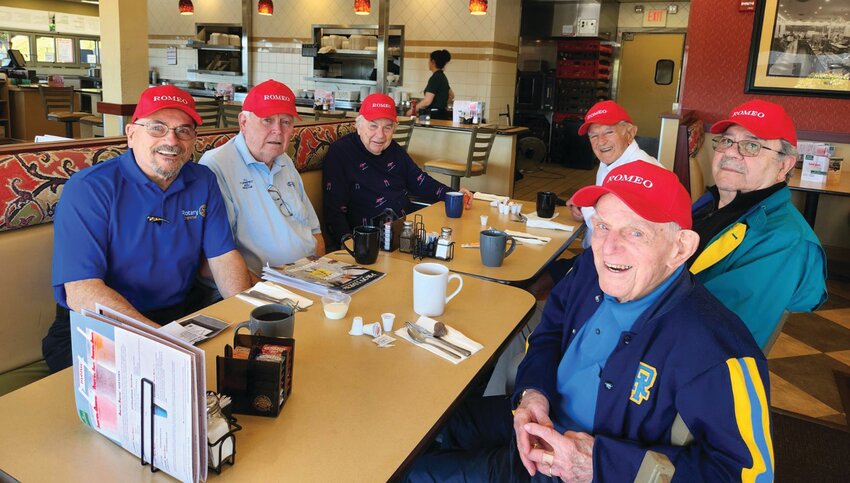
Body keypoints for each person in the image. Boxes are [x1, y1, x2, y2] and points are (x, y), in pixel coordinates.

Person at [406, 162, 772, 482]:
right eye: (603, 227)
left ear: (680, 247)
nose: (609, 247)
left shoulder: (715, 346)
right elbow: (547, 333)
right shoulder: (587, 271)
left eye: (636, 232)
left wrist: (599, 464)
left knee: (412, 475)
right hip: (536, 417)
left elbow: (747, 474)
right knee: (414, 434)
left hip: (577, 471)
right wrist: (533, 393)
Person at [43, 85, 252, 372]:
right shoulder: (90, 188)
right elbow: (83, 292)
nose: (172, 140)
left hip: (176, 316)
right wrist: (164, 341)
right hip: (95, 327)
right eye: (157, 128)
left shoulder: (202, 180)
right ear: (131, 134)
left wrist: (248, 317)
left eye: (184, 130)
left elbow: (223, 257)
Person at [689, 99, 827, 348]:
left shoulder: (785, 240)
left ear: (783, 165)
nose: (730, 152)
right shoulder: (710, 204)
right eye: (727, 141)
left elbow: (711, 329)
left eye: (751, 145)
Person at [530, 100, 660, 297]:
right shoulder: (611, 161)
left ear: (630, 132)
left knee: (536, 284)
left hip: (620, 267)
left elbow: (616, 229)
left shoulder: (640, 172)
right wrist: (586, 202)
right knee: (538, 270)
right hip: (598, 256)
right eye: (594, 135)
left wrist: (586, 208)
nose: (601, 142)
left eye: (609, 132)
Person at [200, 80, 324, 278]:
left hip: (309, 276)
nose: (278, 130)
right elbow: (217, 257)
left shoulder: (284, 160)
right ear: (243, 122)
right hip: (261, 285)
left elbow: (314, 231)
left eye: (286, 121)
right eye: (267, 120)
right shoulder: (217, 165)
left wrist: (317, 277)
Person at [323, 93, 471, 249]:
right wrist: (349, 247)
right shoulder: (341, 153)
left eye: (387, 127)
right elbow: (334, 212)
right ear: (358, 125)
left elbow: (419, 180)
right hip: (368, 245)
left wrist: (453, 195)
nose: (380, 135)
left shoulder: (394, 150)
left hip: (404, 237)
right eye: (373, 126)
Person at [405, 50, 454, 120]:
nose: (428, 63)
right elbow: (452, 96)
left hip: (433, 116)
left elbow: (427, 101)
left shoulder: (435, 78)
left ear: (433, 61)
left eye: (429, 60)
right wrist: (441, 104)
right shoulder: (442, 77)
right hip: (442, 115)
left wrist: (411, 111)